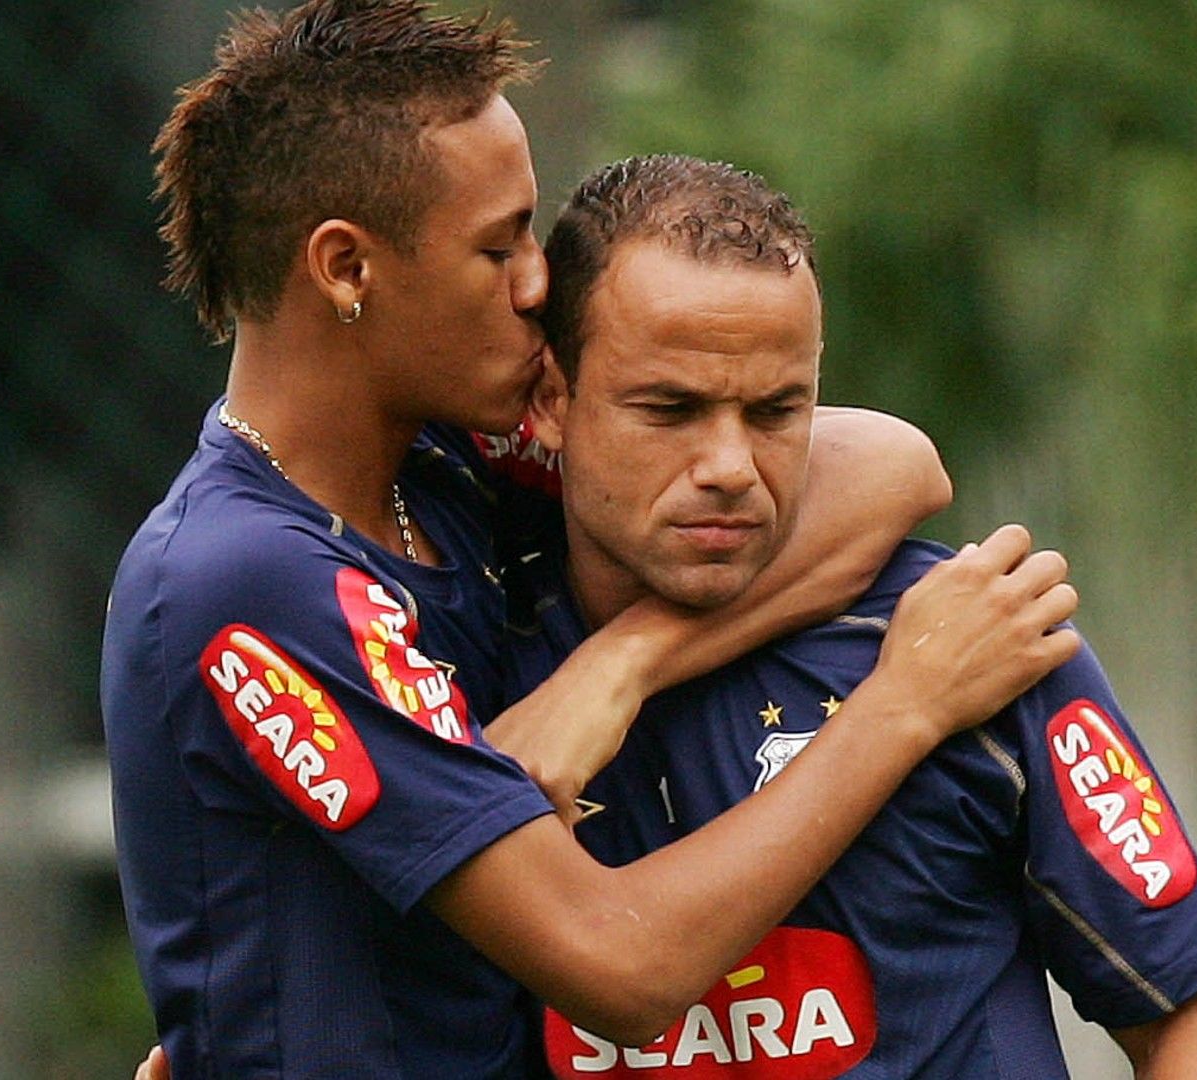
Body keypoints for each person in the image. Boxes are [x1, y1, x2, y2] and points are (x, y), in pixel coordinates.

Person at [103, 2, 1079, 1077]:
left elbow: (892, 465)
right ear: (345, 269)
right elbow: (621, 967)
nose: (538, 284)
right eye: (498, 244)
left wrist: (627, 660)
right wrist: (903, 705)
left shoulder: (442, 474)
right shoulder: (244, 577)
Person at [490, 155, 1197, 1077]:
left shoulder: (969, 635)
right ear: (552, 402)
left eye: (778, 410)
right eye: (672, 409)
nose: (731, 466)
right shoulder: (460, 651)